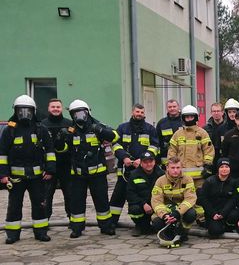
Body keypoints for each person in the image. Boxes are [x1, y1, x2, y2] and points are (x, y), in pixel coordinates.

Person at [55, 99, 119, 238]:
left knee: (101, 201)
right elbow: (63, 150)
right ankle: (77, 228)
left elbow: (115, 136)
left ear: (87, 112)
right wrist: (60, 140)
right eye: (76, 114)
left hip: (98, 173)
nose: (79, 117)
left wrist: (101, 130)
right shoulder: (71, 130)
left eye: (82, 113)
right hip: (78, 174)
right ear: (72, 115)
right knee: (76, 202)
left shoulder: (97, 126)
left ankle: (106, 226)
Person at [0, 95, 56, 244]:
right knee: (14, 206)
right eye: (21, 110)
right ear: (16, 111)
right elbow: (2, 154)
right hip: (16, 178)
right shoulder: (9, 130)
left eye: (28, 110)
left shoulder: (41, 128)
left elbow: (50, 151)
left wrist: (50, 170)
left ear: (33, 111)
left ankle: (41, 232)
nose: (24, 114)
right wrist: (3, 174)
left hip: (37, 177)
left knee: (40, 205)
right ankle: (12, 234)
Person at [110, 104, 159, 229]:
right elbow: (115, 144)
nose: (139, 114)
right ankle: (111, 223)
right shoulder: (122, 128)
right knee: (118, 197)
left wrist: (142, 160)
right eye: (137, 111)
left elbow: (155, 147)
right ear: (132, 112)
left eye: (142, 112)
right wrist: (124, 157)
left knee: (143, 195)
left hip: (143, 170)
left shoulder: (150, 129)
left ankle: (143, 223)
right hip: (125, 172)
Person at [151, 156, 197, 247]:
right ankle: (170, 232)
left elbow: (190, 199)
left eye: (178, 168)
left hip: (181, 210)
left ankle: (183, 231)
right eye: (172, 168)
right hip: (166, 210)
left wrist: (178, 212)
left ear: (181, 168)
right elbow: (156, 201)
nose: (175, 170)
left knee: (191, 214)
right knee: (156, 222)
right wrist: (164, 215)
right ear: (167, 168)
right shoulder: (160, 181)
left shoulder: (187, 179)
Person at [40, 98, 72, 222]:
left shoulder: (69, 124)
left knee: (69, 194)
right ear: (48, 108)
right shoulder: (42, 124)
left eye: (58, 107)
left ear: (61, 108)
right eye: (53, 107)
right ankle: (44, 220)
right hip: (48, 168)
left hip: (66, 166)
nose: (55, 109)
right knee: (46, 195)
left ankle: (73, 220)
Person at [126, 151, 164, 237]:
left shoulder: (161, 174)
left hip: (157, 204)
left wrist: (157, 205)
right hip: (142, 205)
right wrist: (143, 204)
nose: (148, 164)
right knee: (134, 209)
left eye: (150, 161)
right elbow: (130, 194)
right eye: (145, 162)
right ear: (141, 163)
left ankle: (159, 226)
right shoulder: (134, 175)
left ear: (154, 162)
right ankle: (139, 226)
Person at [198, 157, 235, 238]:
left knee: (234, 215)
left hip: (226, 213)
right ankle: (214, 225)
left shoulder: (233, 182)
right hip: (212, 213)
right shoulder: (209, 181)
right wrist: (213, 214)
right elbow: (203, 199)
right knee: (215, 232)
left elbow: (233, 200)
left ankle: (227, 225)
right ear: (218, 169)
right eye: (221, 167)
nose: (224, 169)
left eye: (226, 167)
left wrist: (223, 213)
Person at [156, 99, 183, 166]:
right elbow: (158, 141)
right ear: (167, 108)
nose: (172, 109)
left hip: (182, 154)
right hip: (166, 156)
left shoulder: (184, 121)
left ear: (178, 107)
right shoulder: (162, 123)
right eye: (170, 107)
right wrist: (158, 157)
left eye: (174, 106)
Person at [203, 102, 225, 169]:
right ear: (211, 113)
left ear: (222, 112)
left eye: (218, 111)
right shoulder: (205, 129)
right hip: (211, 159)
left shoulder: (227, 127)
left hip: (224, 158)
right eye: (214, 111)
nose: (216, 113)